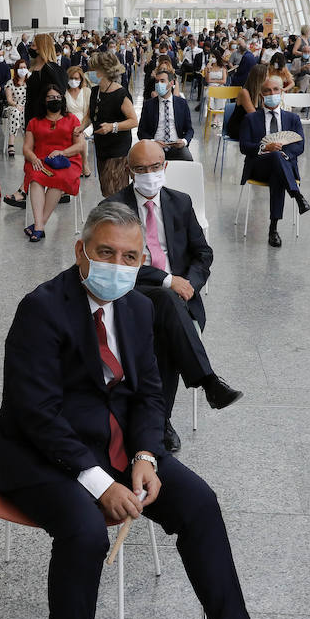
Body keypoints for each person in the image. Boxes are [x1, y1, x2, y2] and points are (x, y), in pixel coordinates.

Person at [0, 201, 310, 619]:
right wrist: (97, 482)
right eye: (106, 252)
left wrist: (146, 457)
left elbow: (150, 394)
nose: (117, 264)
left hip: (116, 450)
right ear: (80, 250)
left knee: (199, 503)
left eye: (130, 256)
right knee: (85, 533)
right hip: (42, 456)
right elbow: (34, 413)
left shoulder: (136, 308)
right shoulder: (40, 309)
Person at [109, 140, 241, 450]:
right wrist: (170, 281)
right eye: (141, 169)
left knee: (166, 325)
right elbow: (118, 264)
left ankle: (160, 419)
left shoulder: (180, 202)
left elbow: (203, 253)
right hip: (133, 294)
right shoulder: (113, 208)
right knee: (166, 305)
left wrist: (191, 283)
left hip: (182, 299)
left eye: (155, 167)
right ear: (129, 171)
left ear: (165, 167)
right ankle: (206, 383)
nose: (149, 174)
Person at [239, 74, 309, 248]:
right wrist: (265, 148)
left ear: (281, 92)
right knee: (276, 159)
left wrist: (283, 155)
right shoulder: (251, 118)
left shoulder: (292, 118)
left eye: (275, 89)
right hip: (258, 165)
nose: (272, 93)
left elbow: (299, 145)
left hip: (282, 167)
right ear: (262, 95)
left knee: (278, 171)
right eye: (267, 90)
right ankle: (296, 194)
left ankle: (273, 228)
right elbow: (244, 147)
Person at [19, 82, 85, 243]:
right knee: (35, 178)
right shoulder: (34, 122)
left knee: (59, 179)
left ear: (62, 99)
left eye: (57, 97)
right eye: (50, 97)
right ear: (44, 100)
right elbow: (26, 148)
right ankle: (39, 226)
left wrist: (62, 152)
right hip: (39, 160)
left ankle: (39, 225)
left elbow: (80, 145)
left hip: (67, 160)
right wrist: (33, 158)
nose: (54, 100)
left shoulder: (72, 119)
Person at [87, 51, 137, 198]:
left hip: (118, 150)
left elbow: (133, 121)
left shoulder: (121, 94)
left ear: (102, 72)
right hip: (102, 146)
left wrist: (112, 126)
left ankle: (121, 218)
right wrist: (81, 127)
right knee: (106, 188)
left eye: (93, 70)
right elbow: (90, 113)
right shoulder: (95, 90)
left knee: (115, 189)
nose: (89, 73)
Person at [137, 69, 194, 161]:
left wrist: (184, 141)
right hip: (155, 146)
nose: (159, 84)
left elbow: (189, 129)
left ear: (171, 83)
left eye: (162, 81)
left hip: (176, 146)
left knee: (189, 162)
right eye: (157, 81)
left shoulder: (181, 103)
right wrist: (153, 142)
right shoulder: (149, 105)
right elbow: (141, 132)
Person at [64, 65, 92, 177]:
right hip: (69, 123)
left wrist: (83, 126)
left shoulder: (86, 91)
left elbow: (89, 113)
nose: (73, 81)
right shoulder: (64, 93)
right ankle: (83, 163)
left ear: (81, 80)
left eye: (76, 78)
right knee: (76, 133)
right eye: (71, 78)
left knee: (80, 133)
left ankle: (83, 163)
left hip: (86, 122)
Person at [2, 58, 30, 158]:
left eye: (24, 67)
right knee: (16, 112)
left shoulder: (29, 82)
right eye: (20, 67)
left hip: (26, 107)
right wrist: (17, 105)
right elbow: (9, 100)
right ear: (16, 69)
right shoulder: (10, 83)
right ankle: (11, 143)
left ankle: (28, 143)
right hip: (12, 107)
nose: (23, 69)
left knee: (26, 112)